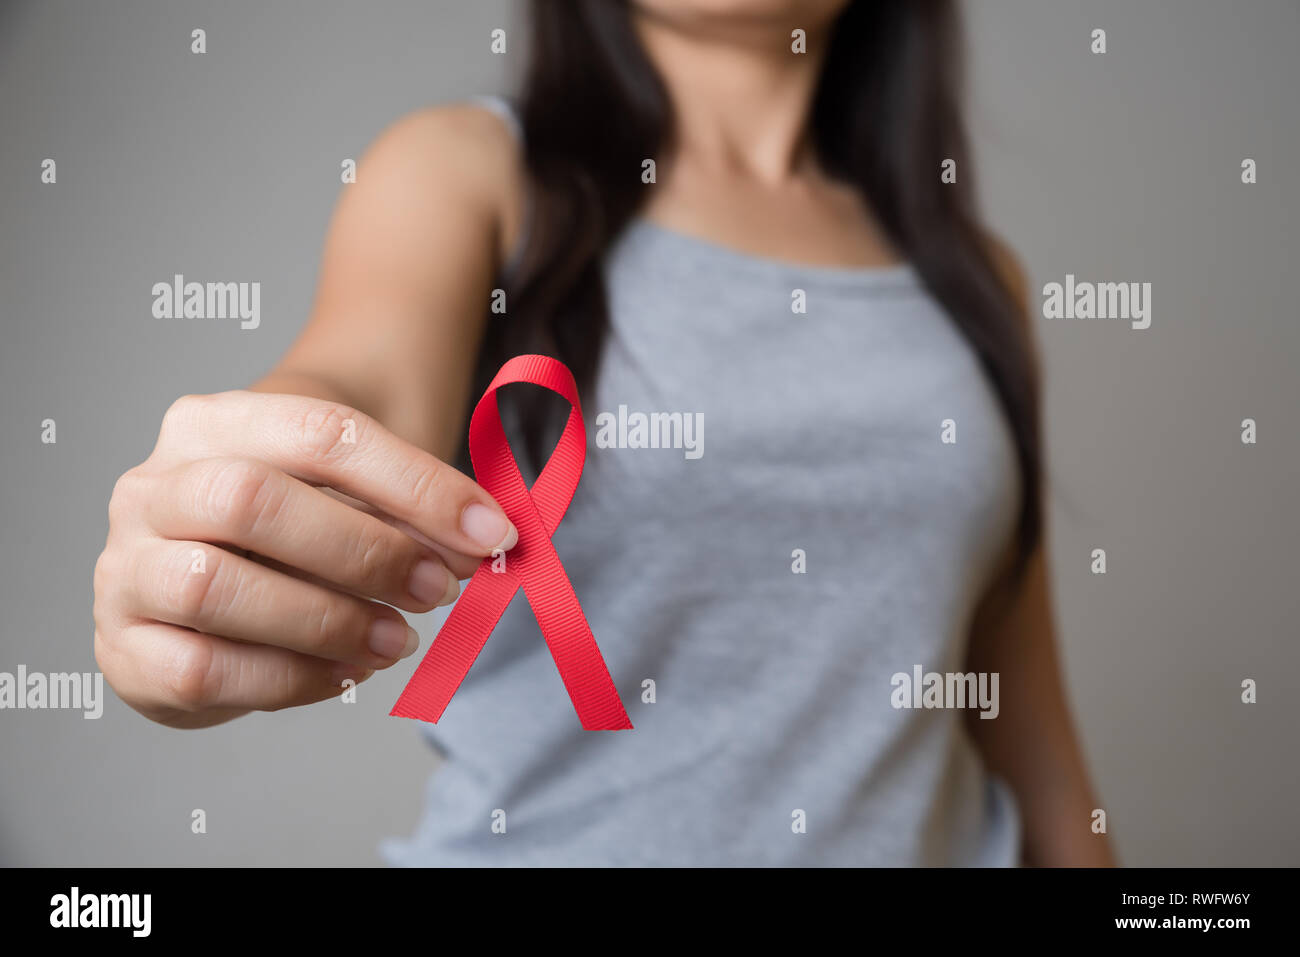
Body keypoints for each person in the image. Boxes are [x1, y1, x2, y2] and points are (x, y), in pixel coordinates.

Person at [92, 0, 1114, 866]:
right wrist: (222, 529)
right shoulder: (471, 175)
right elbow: (355, 395)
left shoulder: (981, 283)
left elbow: (1034, 745)